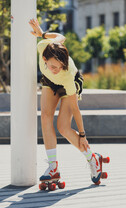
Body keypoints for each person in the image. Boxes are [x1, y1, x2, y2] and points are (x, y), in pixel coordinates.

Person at [29, 18, 104, 184]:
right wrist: (42, 34)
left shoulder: (67, 75)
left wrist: (83, 135)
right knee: (45, 117)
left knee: (63, 127)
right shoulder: (43, 47)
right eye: (53, 66)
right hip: (49, 83)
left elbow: (75, 109)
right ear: (44, 58)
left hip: (69, 85)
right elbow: (61, 37)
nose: (56, 70)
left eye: (60, 67)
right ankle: (53, 167)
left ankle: (93, 159)